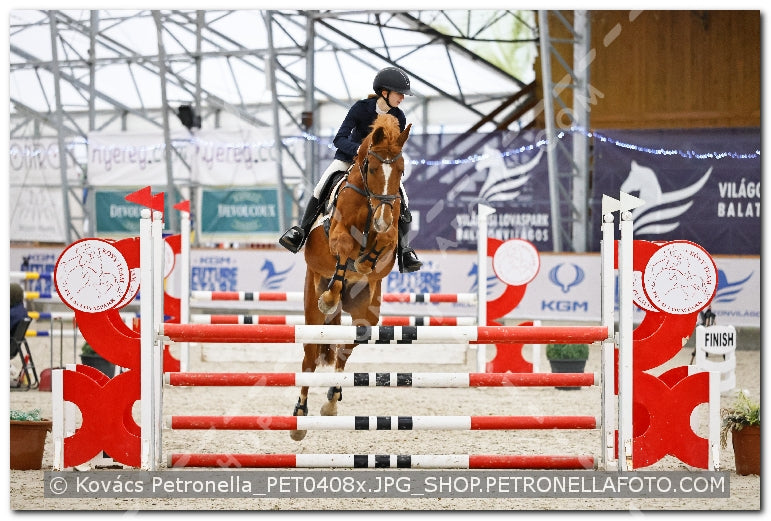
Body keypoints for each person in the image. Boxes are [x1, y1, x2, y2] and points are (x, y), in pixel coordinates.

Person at [279, 66, 422, 273]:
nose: (402, 98)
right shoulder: (361, 108)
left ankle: (404, 250)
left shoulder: (399, 117)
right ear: (385, 92)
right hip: (349, 159)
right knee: (322, 186)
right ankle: (300, 231)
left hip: (379, 168)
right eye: (399, 93)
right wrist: (361, 153)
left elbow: (393, 147)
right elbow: (339, 139)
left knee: (403, 198)